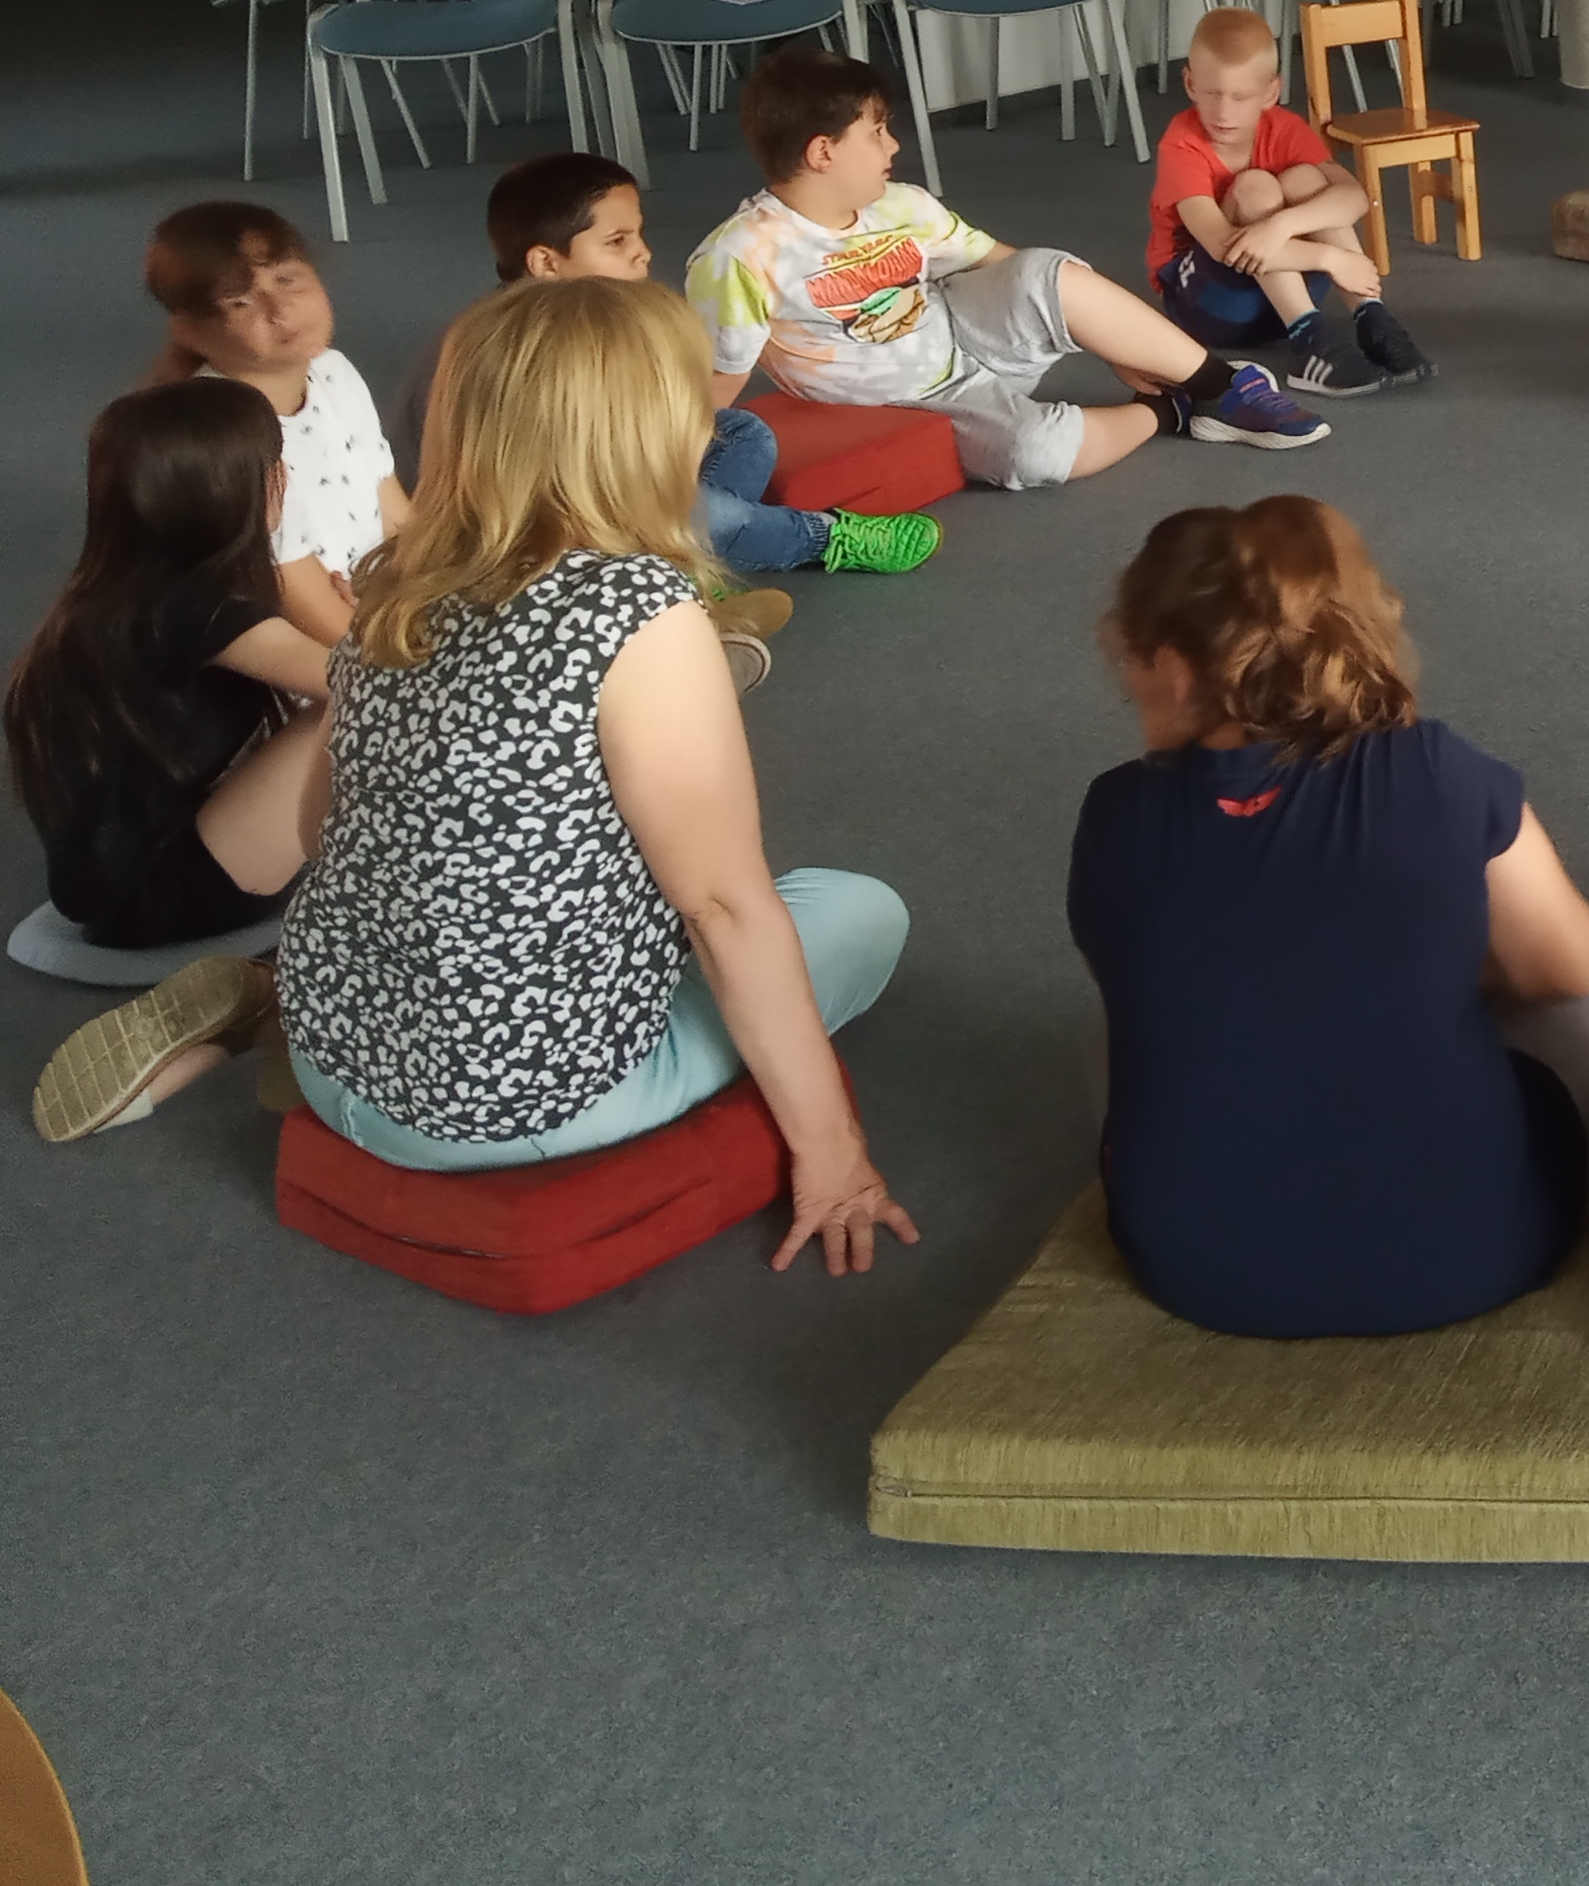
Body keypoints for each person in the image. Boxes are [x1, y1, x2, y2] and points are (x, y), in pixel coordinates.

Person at [122, 281, 911, 1277]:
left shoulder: (394, 579)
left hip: (334, 1054)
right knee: (854, 910)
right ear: (649, 431)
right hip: (504, 1107)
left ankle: (275, 1003)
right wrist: (833, 1154)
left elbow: (324, 831)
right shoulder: (637, 608)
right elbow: (721, 909)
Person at [1072, 497, 1589, 1338]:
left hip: (1194, 1271)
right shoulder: (1438, 772)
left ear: (1174, 668)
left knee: (1118, 1026)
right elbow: (1566, 970)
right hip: (1470, 1254)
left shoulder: (1115, 814)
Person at [686, 44, 1326, 483]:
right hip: (914, 403)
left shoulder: (902, 204)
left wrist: (1109, 346)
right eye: (876, 133)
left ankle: (1222, 385)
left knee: (1046, 269)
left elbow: (1017, 270)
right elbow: (718, 385)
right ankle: (1174, 412)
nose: (894, 145)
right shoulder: (740, 257)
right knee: (1033, 452)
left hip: (965, 336)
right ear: (822, 152)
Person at [439, 152, 940, 593]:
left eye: (637, 234)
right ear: (547, 263)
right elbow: (566, 478)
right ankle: (821, 537)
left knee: (742, 431)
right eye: (616, 241)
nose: (643, 252)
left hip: (625, 476)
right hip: (562, 523)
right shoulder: (519, 349)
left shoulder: (602, 319)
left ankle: (683, 569)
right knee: (710, 512)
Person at [7, 383, 322, 967]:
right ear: (258, 487)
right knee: (345, 715)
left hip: (108, 886)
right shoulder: (204, 613)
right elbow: (367, 682)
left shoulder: (127, 596)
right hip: (157, 900)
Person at [144, 200, 399, 648]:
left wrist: (427, 598)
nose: (280, 309)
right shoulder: (224, 436)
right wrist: (399, 639)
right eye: (240, 303)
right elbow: (300, 601)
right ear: (191, 333)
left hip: (377, 610)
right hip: (302, 655)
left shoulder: (332, 371)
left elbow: (396, 517)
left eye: (287, 279)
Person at [1149, 5, 1432, 399]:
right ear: (1190, 83)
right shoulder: (1181, 144)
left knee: (1307, 180)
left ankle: (1371, 316)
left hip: (1280, 295)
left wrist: (1281, 225)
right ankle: (1308, 340)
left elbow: (1354, 196)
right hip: (1211, 306)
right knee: (1256, 188)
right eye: (1212, 93)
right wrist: (1331, 259)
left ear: (1271, 92)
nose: (1223, 112)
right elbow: (1223, 245)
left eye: (1241, 97)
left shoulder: (1284, 128)